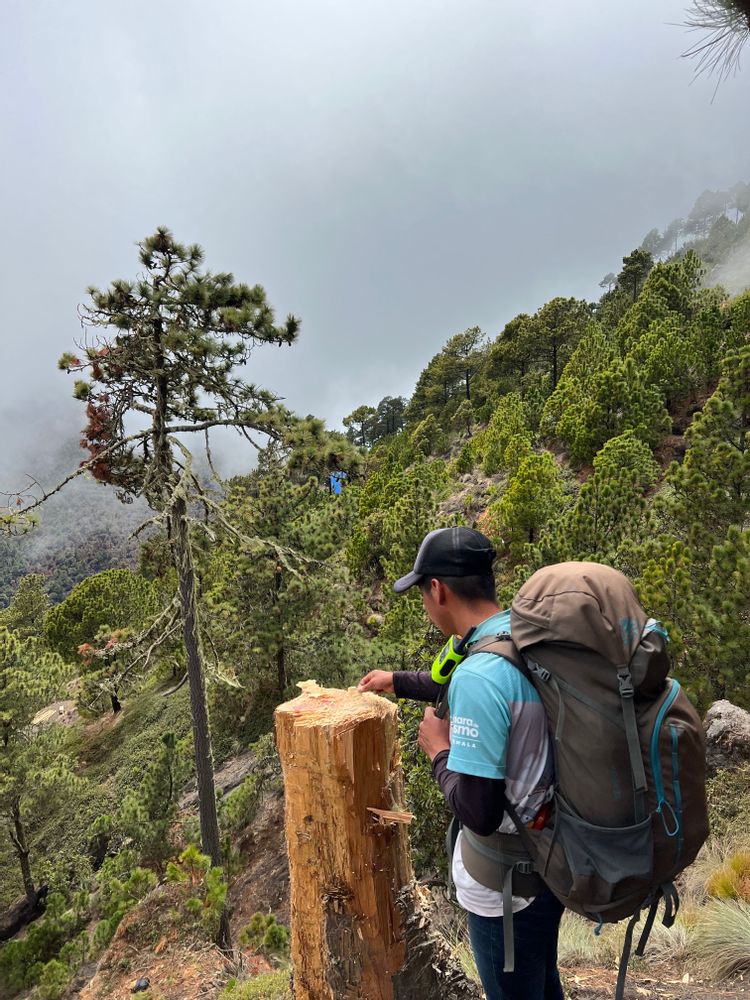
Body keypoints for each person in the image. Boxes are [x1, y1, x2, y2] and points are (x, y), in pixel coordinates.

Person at [358, 526, 564, 1000]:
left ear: (438, 590)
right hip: (548, 865)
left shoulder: (479, 675)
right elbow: (463, 685)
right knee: (541, 985)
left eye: (422, 593)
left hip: (505, 889)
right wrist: (396, 680)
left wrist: (439, 751)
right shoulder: (515, 634)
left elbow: (479, 812)